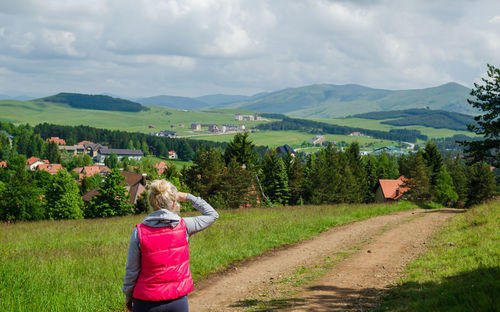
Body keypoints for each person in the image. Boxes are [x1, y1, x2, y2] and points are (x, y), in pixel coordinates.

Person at [123, 179, 218, 312]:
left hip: (146, 301)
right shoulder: (185, 226)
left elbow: (131, 270)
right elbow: (212, 214)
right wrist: (187, 196)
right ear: (174, 204)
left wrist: (128, 294)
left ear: (151, 203)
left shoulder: (138, 232)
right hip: (177, 300)